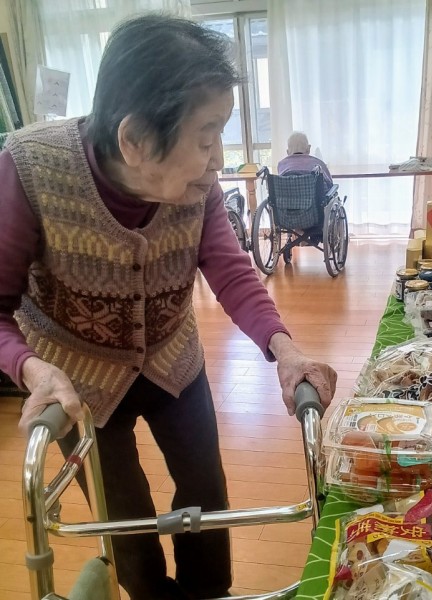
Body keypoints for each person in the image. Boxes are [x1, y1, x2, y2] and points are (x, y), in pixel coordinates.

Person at [0, 15, 337, 600]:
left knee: (206, 493)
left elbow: (229, 268)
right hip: (74, 379)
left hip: (172, 359)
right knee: (123, 520)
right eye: (206, 138)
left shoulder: (196, 185)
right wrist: (30, 369)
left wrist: (285, 350)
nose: (218, 159)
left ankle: (209, 593)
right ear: (133, 139)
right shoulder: (30, 168)